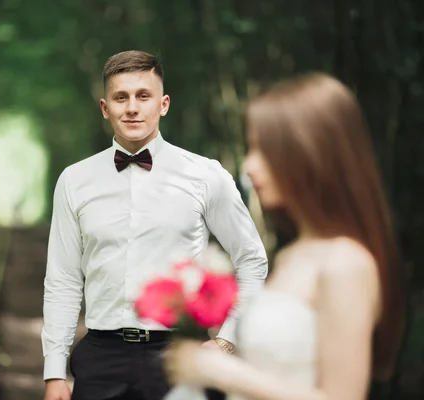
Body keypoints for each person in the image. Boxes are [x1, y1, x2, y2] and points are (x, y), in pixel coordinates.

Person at [41, 50, 269, 400]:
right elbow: (64, 280)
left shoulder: (206, 175)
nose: (132, 107)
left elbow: (252, 260)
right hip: (101, 359)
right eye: (121, 97)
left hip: (180, 354)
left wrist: (226, 340)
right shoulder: (74, 181)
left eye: (143, 96)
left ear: (163, 104)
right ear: (105, 108)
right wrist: (54, 371)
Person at [164, 73, 406, 400]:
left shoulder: (346, 263)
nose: (249, 166)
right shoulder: (292, 254)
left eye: (265, 151)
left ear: (310, 153)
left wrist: (225, 373)